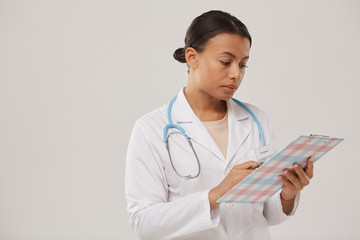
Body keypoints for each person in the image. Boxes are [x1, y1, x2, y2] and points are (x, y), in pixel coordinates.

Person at [125, 10, 313, 240]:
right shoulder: (151, 129)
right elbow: (144, 223)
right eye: (226, 62)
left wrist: (287, 192)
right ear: (192, 57)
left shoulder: (256, 120)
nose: (236, 74)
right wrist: (216, 194)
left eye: (243, 65)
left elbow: (270, 215)